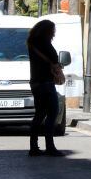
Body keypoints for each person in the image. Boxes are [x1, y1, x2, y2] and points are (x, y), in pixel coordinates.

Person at [27, 19, 63, 157]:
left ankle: (34, 146)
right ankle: (50, 146)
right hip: (46, 83)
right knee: (53, 112)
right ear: (47, 31)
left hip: (36, 82)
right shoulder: (45, 44)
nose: (54, 33)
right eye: (52, 31)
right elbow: (53, 59)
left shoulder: (32, 43)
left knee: (39, 114)